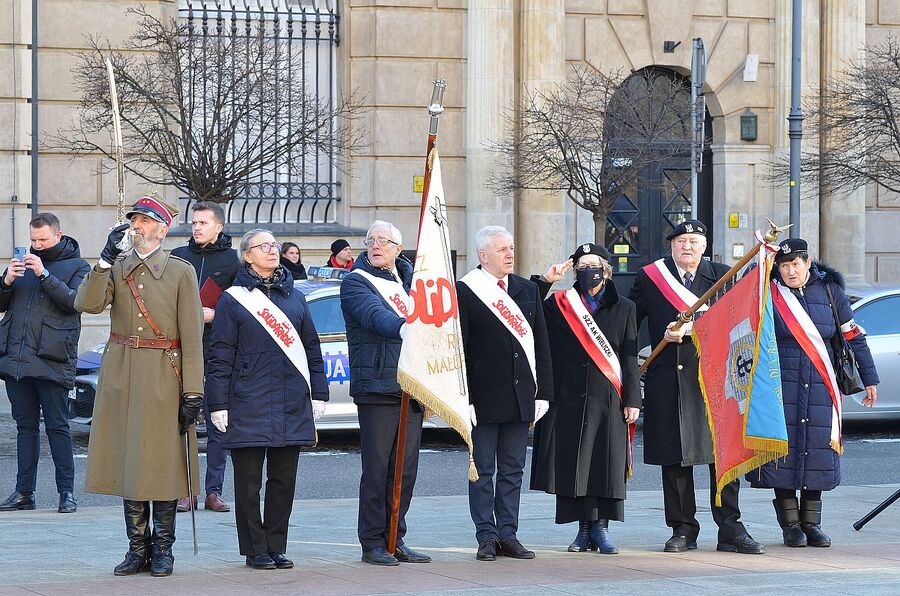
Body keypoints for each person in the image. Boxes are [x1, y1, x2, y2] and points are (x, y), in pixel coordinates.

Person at [75, 195, 204, 577]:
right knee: (131, 462)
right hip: (123, 375)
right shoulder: (116, 267)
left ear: (162, 230)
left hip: (166, 375)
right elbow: (88, 303)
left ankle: (163, 550)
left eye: (144, 221)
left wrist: (193, 390)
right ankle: (137, 549)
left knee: (162, 464)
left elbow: (192, 335)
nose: (136, 227)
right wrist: (101, 261)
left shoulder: (180, 271)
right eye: (134, 220)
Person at [629, 219, 764, 555]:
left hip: (716, 378)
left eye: (693, 241)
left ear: (704, 246)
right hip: (669, 379)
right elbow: (629, 322)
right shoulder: (651, 278)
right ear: (671, 245)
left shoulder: (723, 274)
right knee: (676, 459)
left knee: (723, 456)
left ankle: (731, 529)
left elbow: (741, 320)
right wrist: (659, 336)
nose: (687, 246)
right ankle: (683, 528)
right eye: (680, 240)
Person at [205, 229, 328, 569]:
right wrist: (218, 404)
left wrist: (319, 393)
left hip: (290, 401)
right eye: (263, 247)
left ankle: (276, 545)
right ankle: (254, 548)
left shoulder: (296, 297)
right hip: (247, 400)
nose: (272, 251)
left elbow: (312, 349)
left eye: (274, 245)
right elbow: (220, 356)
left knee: (283, 481)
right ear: (247, 256)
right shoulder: (233, 299)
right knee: (248, 483)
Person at [749, 238, 879, 548]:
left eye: (795, 264)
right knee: (783, 453)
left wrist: (869, 377)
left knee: (817, 450)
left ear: (808, 263)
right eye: (783, 265)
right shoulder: (768, 292)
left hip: (821, 383)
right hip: (780, 384)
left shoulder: (831, 292)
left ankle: (812, 524)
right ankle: (791, 526)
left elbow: (852, 336)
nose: (790, 271)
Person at [530, 243, 641, 555]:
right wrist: (546, 281)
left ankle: (602, 529)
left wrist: (633, 398)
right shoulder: (560, 304)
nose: (587, 270)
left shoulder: (625, 307)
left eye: (593, 264)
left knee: (606, 463)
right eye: (580, 265)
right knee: (575, 464)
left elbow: (629, 358)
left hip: (609, 397)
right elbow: (528, 312)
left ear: (606, 269)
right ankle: (582, 529)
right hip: (570, 397)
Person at [456, 226, 554, 562]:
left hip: (521, 396)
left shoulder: (527, 289)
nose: (510, 254)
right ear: (483, 256)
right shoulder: (466, 290)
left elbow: (541, 343)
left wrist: (543, 393)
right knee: (482, 470)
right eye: (502, 250)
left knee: (513, 470)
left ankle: (509, 534)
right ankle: (486, 535)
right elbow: (461, 349)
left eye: (511, 248)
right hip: (483, 398)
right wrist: (464, 398)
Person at [340, 220, 430, 566]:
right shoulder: (355, 282)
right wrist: (410, 326)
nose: (375, 245)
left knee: (404, 471)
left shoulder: (412, 281)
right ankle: (373, 543)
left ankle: (396, 536)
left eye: (384, 240)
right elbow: (375, 317)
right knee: (377, 470)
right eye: (370, 240)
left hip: (411, 386)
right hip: (378, 385)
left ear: (398, 247)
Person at [0, 213, 90, 514]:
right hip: (17, 360)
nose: (36, 245)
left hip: (51, 359)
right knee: (25, 427)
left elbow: (74, 302)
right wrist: (7, 280)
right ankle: (24, 493)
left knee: (57, 426)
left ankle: (66, 493)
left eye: (42, 239)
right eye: (33, 239)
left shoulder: (78, 266)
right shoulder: (22, 264)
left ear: (58, 235)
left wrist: (44, 275)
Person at [170, 201, 240, 514]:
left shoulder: (233, 260)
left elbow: (241, 302)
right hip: (181, 347)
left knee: (217, 421)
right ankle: (186, 491)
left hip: (218, 348)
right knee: (182, 421)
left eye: (203, 223)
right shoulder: (178, 257)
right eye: (194, 222)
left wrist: (217, 312)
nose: (197, 227)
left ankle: (213, 490)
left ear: (219, 226)